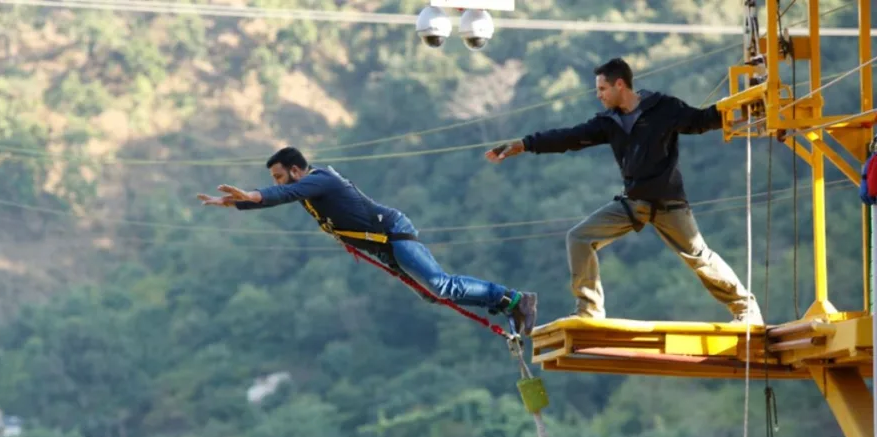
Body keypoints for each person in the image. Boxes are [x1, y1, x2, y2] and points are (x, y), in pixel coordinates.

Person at [485, 57, 764, 325]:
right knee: (579, 238)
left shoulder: (663, 108)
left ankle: (747, 310)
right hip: (634, 203)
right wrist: (524, 144)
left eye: (602, 89)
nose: (599, 95)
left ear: (620, 85)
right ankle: (589, 311)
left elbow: (701, 121)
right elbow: (568, 137)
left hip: (669, 203)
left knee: (701, 257)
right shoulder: (609, 122)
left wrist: (744, 103)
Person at [197, 146, 540, 334]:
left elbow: (281, 195)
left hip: (392, 233)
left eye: (279, 176)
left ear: (296, 170)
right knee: (432, 296)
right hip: (385, 244)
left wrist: (253, 195)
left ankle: (514, 299)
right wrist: (237, 201)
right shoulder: (306, 189)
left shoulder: (320, 180)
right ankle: (505, 305)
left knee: (441, 286)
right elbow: (281, 195)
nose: (278, 183)